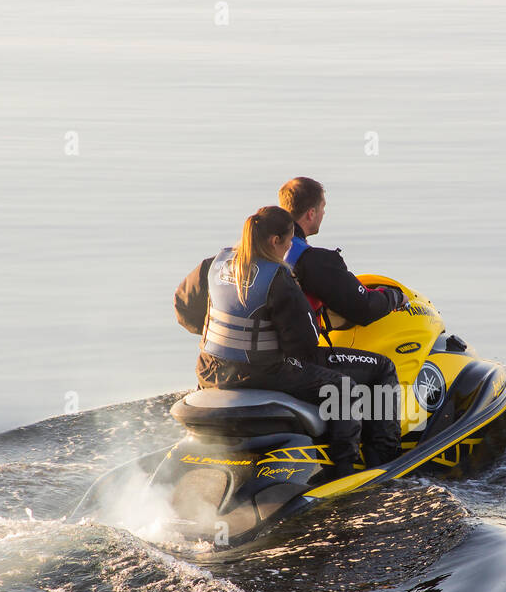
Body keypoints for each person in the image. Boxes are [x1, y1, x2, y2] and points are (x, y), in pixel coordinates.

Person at [173, 205, 389, 478]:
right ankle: (345, 472)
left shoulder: (213, 264)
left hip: (209, 371)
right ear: (276, 241)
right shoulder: (278, 278)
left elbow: (182, 306)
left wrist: (225, 339)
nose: (288, 249)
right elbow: (305, 345)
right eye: (288, 243)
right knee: (345, 389)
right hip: (261, 374)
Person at [276, 177, 404, 466]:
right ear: (310, 213)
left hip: (250, 359)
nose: (323, 214)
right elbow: (363, 308)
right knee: (382, 369)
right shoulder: (313, 260)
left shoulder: (256, 253)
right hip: (294, 363)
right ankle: (382, 462)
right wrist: (393, 298)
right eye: (322, 208)